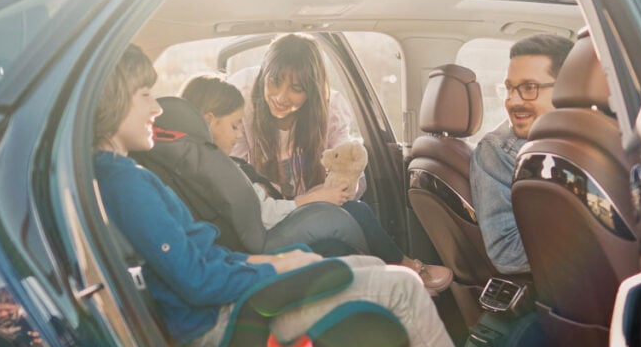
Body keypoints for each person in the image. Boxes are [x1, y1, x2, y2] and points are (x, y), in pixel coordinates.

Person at [91, 44, 473, 347]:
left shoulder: (125, 174)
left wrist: (274, 260)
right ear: (113, 100)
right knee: (404, 285)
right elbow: (198, 281)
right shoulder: (125, 183)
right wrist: (273, 267)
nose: (157, 107)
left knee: (372, 264)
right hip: (220, 324)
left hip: (224, 305)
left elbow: (201, 261)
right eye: (145, 94)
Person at [181, 74, 453, 294]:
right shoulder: (213, 166)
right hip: (261, 239)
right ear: (208, 121)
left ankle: (394, 276)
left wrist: (313, 194)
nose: (239, 133)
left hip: (263, 228)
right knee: (343, 217)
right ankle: (400, 274)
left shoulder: (210, 160)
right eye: (234, 126)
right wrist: (310, 200)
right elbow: (264, 214)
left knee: (346, 229)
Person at [470, 34, 574, 274]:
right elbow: (506, 253)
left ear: (567, 87)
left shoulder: (598, 136)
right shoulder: (499, 151)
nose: (512, 101)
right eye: (509, 88)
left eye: (529, 88)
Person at [229, 33, 364, 200]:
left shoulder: (331, 109)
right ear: (264, 76)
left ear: (311, 92)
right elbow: (234, 170)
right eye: (275, 82)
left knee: (359, 210)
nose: (280, 97)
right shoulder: (244, 99)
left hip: (317, 204)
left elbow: (346, 170)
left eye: (296, 89)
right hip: (267, 208)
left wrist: (324, 192)